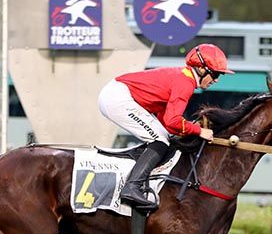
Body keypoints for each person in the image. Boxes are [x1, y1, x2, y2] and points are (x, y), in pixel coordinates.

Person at [98, 43, 234, 210]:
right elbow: (172, 121)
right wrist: (199, 131)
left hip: (116, 94)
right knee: (160, 140)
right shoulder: (186, 82)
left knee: (163, 137)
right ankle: (131, 186)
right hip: (117, 98)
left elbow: (166, 121)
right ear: (200, 68)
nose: (216, 79)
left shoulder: (183, 77)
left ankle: (138, 179)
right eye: (215, 74)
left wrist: (188, 128)